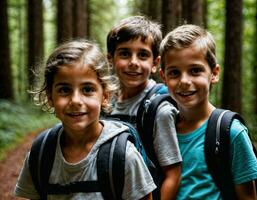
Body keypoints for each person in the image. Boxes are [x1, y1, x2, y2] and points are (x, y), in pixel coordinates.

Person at [14, 39, 156, 200]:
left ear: (105, 96)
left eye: (87, 89)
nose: (75, 100)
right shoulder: (41, 153)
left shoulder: (124, 156)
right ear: (50, 97)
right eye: (64, 90)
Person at [159, 24, 257, 199]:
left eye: (195, 70)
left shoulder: (231, 132)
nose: (184, 81)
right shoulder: (162, 129)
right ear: (163, 77)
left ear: (214, 73)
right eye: (174, 72)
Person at [106, 15, 182, 200]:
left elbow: (173, 174)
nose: (133, 62)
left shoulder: (158, 109)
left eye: (143, 54)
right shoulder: (104, 104)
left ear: (155, 63)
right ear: (110, 59)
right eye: (124, 53)